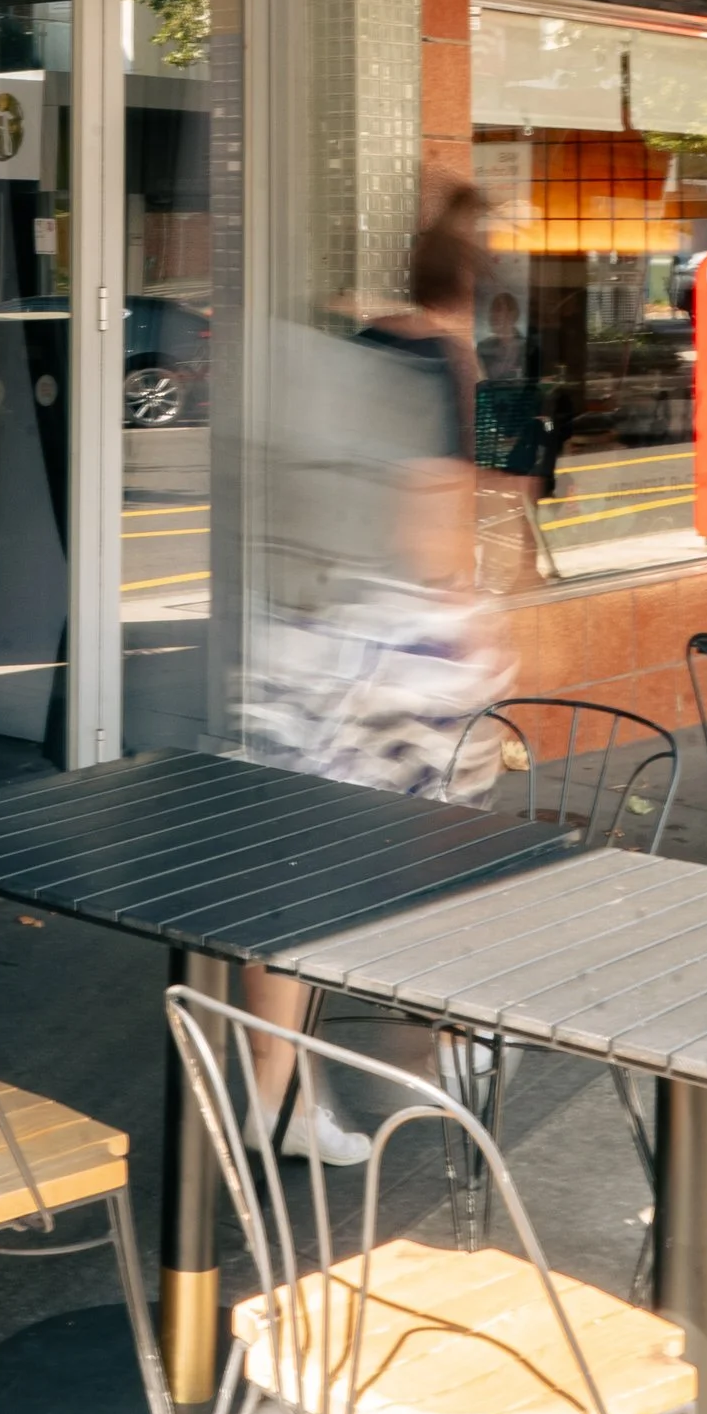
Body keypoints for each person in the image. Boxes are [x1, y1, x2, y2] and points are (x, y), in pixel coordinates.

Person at [238, 185, 508, 1162]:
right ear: (473, 289)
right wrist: (478, 624)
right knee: (449, 853)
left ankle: (277, 1099)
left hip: (299, 647)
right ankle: (438, 1046)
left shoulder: (346, 349)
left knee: (291, 876)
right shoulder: (440, 364)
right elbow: (431, 531)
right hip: (393, 659)